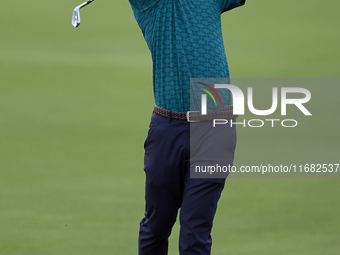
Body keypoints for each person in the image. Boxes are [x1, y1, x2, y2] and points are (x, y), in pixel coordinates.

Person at [127, 0, 246, 254]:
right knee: (156, 228)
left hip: (216, 127)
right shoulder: (152, 5)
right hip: (167, 129)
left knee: (195, 232)